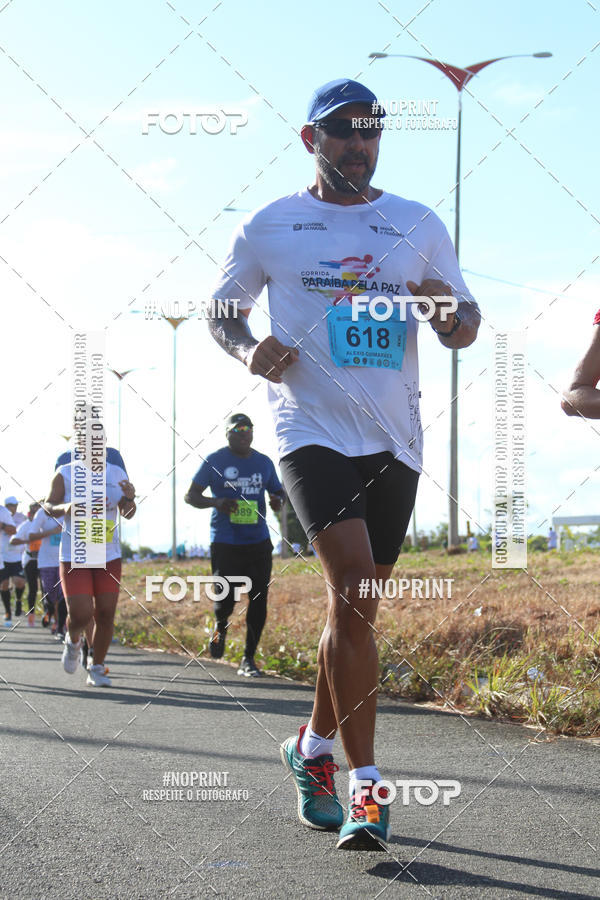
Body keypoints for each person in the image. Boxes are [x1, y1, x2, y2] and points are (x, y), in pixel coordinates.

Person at [207, 79, 480, 849]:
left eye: (371, 133)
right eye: (344, 133)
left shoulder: (417, 222)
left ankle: (311, 748)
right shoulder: (270, 226)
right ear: (310, 140)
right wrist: (247, 347)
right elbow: (222, 310)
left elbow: (465, 322)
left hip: (394, 439)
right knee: (355, 587)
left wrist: (446, 313)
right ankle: (367, 789)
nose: (360, 145)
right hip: (308, 430)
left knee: (354, 610)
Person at [184, 413, 285, 676]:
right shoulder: (215, 461)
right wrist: (217, 503)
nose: (244, 433)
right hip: (226, 540)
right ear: (227, 433)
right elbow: (191, 496)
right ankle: (220, 624)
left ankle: (248, 659)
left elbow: (278, 492)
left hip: (258, 541)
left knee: (258, 599)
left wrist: (277, 501)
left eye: (248, 428)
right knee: (225, 599)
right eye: (238, 429)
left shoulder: (263, 462)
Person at [44, 417, 136, 687]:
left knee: (106, 613)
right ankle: (73, 641)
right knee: (82, 613)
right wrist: (66, 507)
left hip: (108, 554)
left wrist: (129, 497)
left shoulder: (117, 473)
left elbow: (128, 514)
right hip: (76, 553)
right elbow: (49, 505)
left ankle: (97, 666)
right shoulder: (66, 472)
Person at [9, 502, 43, 626]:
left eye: (39, 512)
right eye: (34, 512)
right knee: (33, 588)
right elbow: (14, 540)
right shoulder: (25, 526)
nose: (37, 515)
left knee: (46, 589)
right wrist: (28, 540)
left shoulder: (46, 524)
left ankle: (47, 615)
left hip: (45, 560)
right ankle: (31, 614)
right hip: (30, 560)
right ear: (30, 512)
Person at [0, 497, 27, 620]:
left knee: (20, 582)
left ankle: (18, 600)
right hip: (2, 556)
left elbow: (13, 530)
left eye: (16, 505)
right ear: (7, 505)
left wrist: (2, 525)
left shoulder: (18, 516)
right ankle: (7, 611)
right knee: (4, 585)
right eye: (12, 505)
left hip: (16, 555)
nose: (14, 507)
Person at [0, 501, 16, 626]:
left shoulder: (4, 512)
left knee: (4, 584)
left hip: (2, 555)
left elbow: (13, 530)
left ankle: (7, 611)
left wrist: (2, 525)